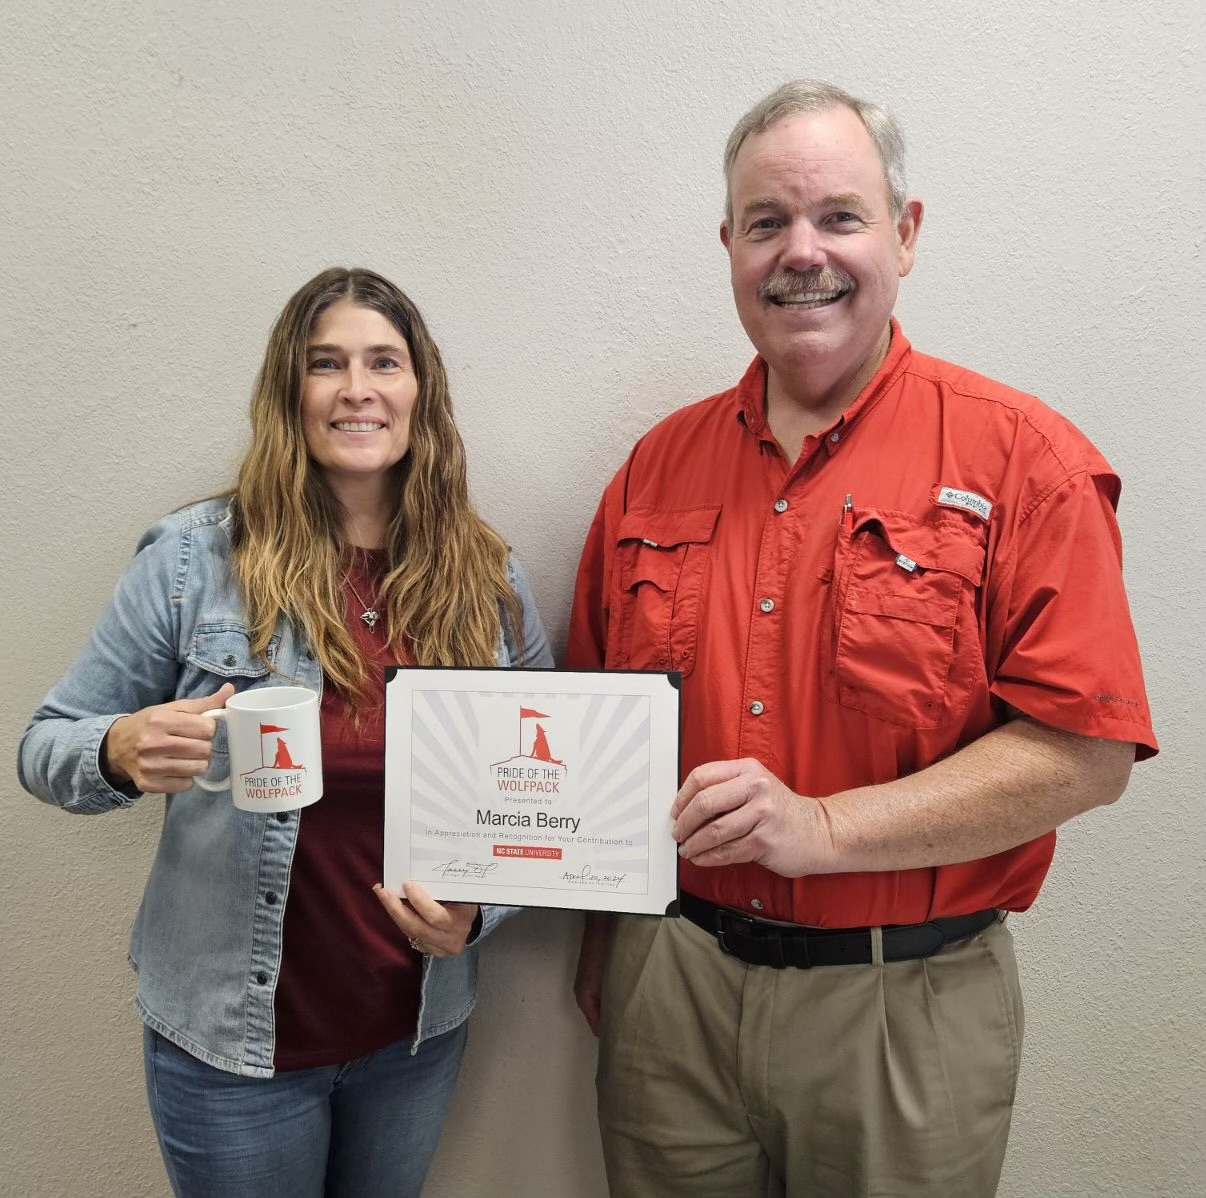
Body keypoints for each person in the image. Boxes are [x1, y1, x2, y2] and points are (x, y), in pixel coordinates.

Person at [567, 80, 1157, 1198]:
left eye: (839, 215)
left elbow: (1087, 751)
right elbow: (590, 730)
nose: (803, 253)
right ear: (729, 244)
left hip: (906, 1010)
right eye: (765, 223)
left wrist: (823, 826)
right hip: (671, 996)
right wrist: (603, 940)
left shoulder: (1021, 460)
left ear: (907, 232)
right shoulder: (655, 469)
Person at [19, 266, 552, 1198]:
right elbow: (44, 745)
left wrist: (481, 914)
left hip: (413, 1036)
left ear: (419, 391)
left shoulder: (486, 581)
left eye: (383, 361)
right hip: (232, 1049)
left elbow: (543, 804)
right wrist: (118, 749)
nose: (357, 388)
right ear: (289, 393)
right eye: (326, 364)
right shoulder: (197, 560)